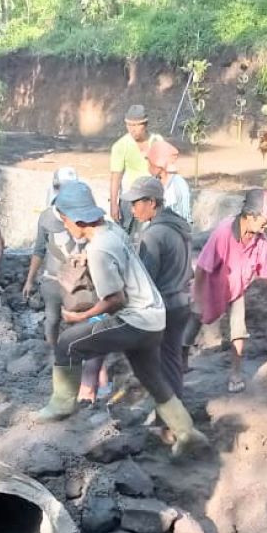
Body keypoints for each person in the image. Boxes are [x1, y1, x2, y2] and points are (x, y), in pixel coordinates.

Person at [35, 180, 208, 458]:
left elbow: (115, 300)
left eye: (66, 220)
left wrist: (81, 314)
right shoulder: (111, 230)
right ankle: (187, 433)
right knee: (151, 377)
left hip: (135, 320)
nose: (65, 226)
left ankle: (61, 405)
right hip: (154, 317)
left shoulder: (99, 249)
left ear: (78, 220)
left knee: (68, 343)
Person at [185, 187, 267, 393]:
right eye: (266, 218)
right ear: (251, 215)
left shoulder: (258, 238)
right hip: (212, 285)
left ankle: (235, 373)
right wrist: (199, 297)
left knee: (239, 329)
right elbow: (202, 267)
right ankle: (179, 360)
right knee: (194, 322)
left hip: (237, 287)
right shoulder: (224, 233)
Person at [21, 173, 111, 405]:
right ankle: (59, 361)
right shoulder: (46, 219)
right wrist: (30, 279)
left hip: (83, 280)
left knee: (91, 326)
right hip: (53, 279)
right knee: (53, 320)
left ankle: (96, 381)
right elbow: (39, 249)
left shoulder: (99, 231)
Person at [122, 176, 193, 399]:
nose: (132, 210)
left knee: (163, 365)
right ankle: (173, 414)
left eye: (136, 203)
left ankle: (169, 421)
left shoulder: (153, 234)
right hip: (182, 302)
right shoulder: (180, 226)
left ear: (152, 202)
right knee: (172, 361)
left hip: (164, 306)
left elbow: (143, 280)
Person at [109, 104, 162, 234]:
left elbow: (162, 170)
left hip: (151, 198)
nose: (133, 130)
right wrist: (113, 204)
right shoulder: (121, 146)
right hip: (129, 197)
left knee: (151, 233)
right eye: (129, 125)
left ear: (145, 124)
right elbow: (115, 177)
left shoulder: (157, 141)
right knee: (126, 234)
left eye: (137, 125)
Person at [145, 140, 192, 223]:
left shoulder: (178, 184)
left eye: (150, 163)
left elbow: (185, 217)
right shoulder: (153, 183)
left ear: (159, 165)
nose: (148, 166)